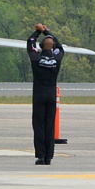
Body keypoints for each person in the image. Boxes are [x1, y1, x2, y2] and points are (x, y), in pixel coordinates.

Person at [26, 23, 64, 165]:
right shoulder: (57, 60)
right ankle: (49, 157)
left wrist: (37, 32)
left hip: (39, 96)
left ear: (40, 47)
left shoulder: (36, 59)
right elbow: (60, 47)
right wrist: (46, 31)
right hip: (51, 96)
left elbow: (29, 44)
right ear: (52, 47)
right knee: (50, 125)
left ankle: (40, 156)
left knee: (39, 125)